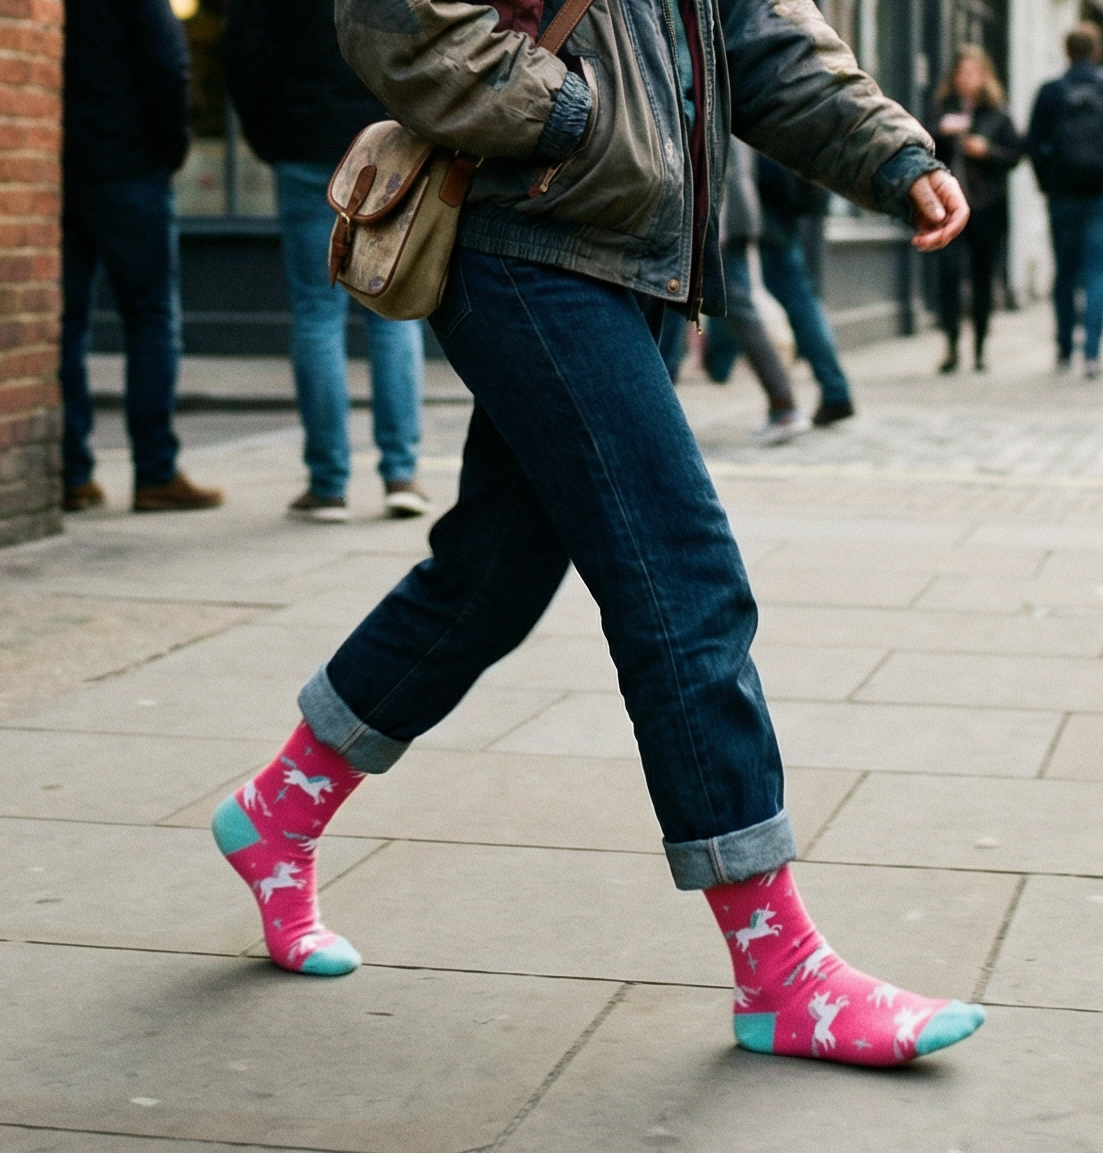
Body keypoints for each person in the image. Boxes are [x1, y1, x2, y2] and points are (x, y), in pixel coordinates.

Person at [211, 0, 984, 1067]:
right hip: (523, 237)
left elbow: (757, 33)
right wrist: (579, 118)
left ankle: (278, 810)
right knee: (681, 577)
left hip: (632, 250)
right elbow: (401, 19)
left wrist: (889, 152)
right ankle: (781, 972)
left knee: (491, 574)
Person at [224, 0, 430, 521]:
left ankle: (328, 483)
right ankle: (401, 475)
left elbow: (245, 51)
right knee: (391, 304)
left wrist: (272, 138)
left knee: (317, 314)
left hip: (305, 145)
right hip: (386, 143)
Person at [60, 0, 223, 513]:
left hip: (63, 169)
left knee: (66, 324)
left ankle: (71, 473)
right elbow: (167, 67)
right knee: (151, 320)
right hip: (131, 171)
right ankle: (154, 472)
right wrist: (170, 150)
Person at [1028, 22, 1103, 378]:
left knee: (1065, 273)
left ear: (1066, 51)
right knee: (1097, 274)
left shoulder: (1051, 92)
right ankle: (1092, 353)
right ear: (1097, 51)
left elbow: (1033, 144)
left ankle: (1064, 349)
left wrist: (1047, 184)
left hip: (1063, 194)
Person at [709, 139, 810, 444]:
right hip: (725, 216)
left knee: (738, 308)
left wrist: (717, 229)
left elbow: (720, 159)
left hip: (720, 220)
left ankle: (785, 406)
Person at [930, 46, 1022, 373]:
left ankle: (980, 348)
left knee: (983, 276)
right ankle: (951, 345)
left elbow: (1014, 155)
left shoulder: (996, 112)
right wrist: (942, 134)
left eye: (972, 72)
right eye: (961, 72)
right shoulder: (943, 109)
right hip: (946, 207)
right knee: (950, 274)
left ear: (984, 76)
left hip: (986, 206)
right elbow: (921, 149)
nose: (966, 79)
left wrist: (987, 151)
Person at [755, 154, 856, 427]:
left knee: (790, 301)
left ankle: (835, 391)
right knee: (792, 299)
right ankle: (836, 391)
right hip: (780, 215)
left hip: (768, 217)